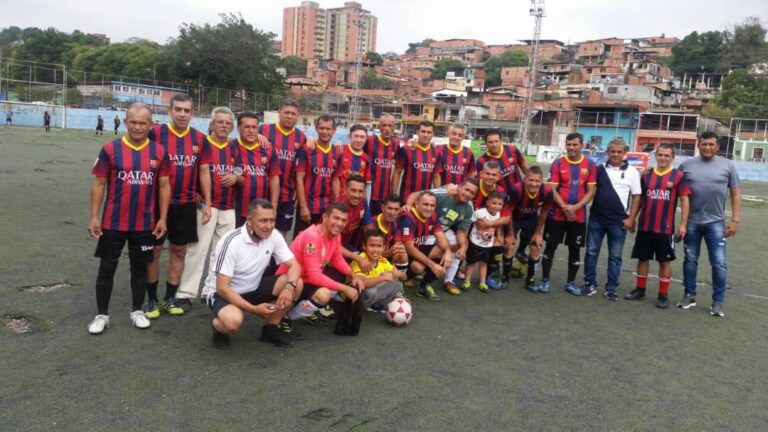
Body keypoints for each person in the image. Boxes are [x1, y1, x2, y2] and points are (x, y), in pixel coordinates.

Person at [86, 104, 170, 334]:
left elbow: (164, 186)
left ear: (150, 125)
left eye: (143, 123)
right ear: (125, 123)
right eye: (133, 122)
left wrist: (162, 218)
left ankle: (137, 311)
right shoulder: (110, 149)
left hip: (144, 223)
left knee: (140, 268)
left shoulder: (159, 152)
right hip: (113, 223)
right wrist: (94, 216)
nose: (137, 126)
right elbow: (99, 184)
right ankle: (102, 315)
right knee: (106, 268)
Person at [200, 199, 301, 348]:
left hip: (253, 288)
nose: (268, 226)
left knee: (296, 283)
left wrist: (289, 288)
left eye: (272, 220)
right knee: (231, 322)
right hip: (223, 293)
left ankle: (271, 329)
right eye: (263, 221)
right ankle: (218, 328)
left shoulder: (274, 235)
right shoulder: (231, 241)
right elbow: (222, 287)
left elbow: (294, 266)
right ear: (249, 220)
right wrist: (253, 309)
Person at [169, 107, 241, 316]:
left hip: (229, 207)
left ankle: (211, 290)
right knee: (197, 251)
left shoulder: (234, 148)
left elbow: (242, 176)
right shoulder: (201, 144)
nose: (224, 126)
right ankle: (185, 293)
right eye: (220, 122)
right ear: (211, 124)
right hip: (205, 207)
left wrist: (237, 179)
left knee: (221, 253)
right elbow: (191, 175)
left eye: (228, 123)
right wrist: (199, 199)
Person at [146, 94, 211, 315]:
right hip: (157, 204)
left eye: (187, 110)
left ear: (192, 113)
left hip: (185, 205)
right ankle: (152, 299)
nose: (182, 114)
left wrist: (208, 202)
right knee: (154, 251)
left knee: (179, 251)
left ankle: (169, 298)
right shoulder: (155, 133)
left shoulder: (199, 139)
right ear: (170, 111)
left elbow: (203, 171)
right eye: (178, 109)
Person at [276, 203, 366, 338]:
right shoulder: (313, 236)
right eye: (336, 218)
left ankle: (305, 308)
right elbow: (314, 276)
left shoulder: (335, 235)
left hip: (306, 279)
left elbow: (337, 260)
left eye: (343, 220)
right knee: (324, 294)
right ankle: (286, 318)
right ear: (325, 217)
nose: (339, 223)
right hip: (289, 281)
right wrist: (345, 289)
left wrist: (353, 275)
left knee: (341, 277)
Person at [678, 132, 741, 317]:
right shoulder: (687, 165)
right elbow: (673, 186)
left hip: (716, 223)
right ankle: (689, 295)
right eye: (704, 144)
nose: (707, 147)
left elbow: (736, 194)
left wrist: (735, 220)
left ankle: (718, 302)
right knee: (690, 260)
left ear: (718, 147)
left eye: (711, 144)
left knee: (719, 263)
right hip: (692, 222)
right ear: (698, 145)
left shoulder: (728, 166)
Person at [625, 143, 690, 308]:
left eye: (667, 155)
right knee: (642, 258)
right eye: (660, 154)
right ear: (656, 156)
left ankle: (663, 294)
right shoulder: (646, 174)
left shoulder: (678, 176)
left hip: (665, 228)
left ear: (672, 157)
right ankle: (640, 290)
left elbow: (684, 199)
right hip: (645, 226)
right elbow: (638, 198)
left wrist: (683, 225)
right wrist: (632, 219)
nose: (663, 158)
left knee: (664, 261)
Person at [582, 138, 642, 300]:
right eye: (612, 151)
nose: (615, 154)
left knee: (615, 256)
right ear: (607, 152)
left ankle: (611, 288)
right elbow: (590, 191)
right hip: (597, 219)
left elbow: (637, 197)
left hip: (619, 222)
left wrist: (631, 219)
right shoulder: (598, 169)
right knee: (591, 252)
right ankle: (589, 284)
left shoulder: (632, 172)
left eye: (619, 152)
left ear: (624, 154)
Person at [541, 132, 597, 295]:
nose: (571, 148)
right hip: (556, 214)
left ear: (582, 145)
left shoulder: (590, 165)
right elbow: (552, 188)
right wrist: (566, 208)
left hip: (578, 216)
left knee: (575, 249)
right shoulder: (558, 163)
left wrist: (575, 208)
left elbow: (591, 191)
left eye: (575, 145)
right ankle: (545, 280)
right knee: (550, 246)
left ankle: (570, 283)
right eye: (569, 144)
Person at [405, 179, 478, 295]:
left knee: (457, 246)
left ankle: (439, 281)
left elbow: (462, 232)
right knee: (421, 262)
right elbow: (416, 195)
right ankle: (407, 275)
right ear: (459, 187)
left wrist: (463, 248)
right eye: (466, 189)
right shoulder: (444, 194)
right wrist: (408, 205)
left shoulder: (469, 208)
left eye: (472, 193)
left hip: (439, 230)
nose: (468, 194)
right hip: (424, 228)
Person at [260, 99, 307, 236]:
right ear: (279, 113)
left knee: (281, 234)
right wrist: (257, 135)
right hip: (265, 192)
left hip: (288, 194)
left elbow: (303, 166)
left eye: (293, 113)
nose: (290, 116)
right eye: (286, 112)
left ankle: (275, 258)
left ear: (298, 116)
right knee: (261, 231)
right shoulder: (264, 130)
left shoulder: (301, 137)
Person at [394, 191, 453, 301]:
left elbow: (441, 236)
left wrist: (448, 252)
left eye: (432, 205)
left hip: (416, 249)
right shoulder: (408, 217)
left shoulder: (433, 215)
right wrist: (432, 265)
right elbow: (409, 248)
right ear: (416, 204)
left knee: (443, 251)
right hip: (401, 253)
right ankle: (397, 286)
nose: (429, 208)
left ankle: (424, 285)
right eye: (425, 204)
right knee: (417, 267)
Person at [506, 166, 557, 292]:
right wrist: (510, 234)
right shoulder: (515, 189)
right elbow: (509, 211)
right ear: (525, 179)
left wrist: (537, 233)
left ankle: (530, 280)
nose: (534, 184)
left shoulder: (547, 192)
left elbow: (544, 212)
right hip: (514, 218)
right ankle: (504, 278)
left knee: (536, 246)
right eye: (530, 180)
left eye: (537, 181)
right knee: (509, 245)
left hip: (531, 219)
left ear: (542, 181)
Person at [295, 115, 343, 235]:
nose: (325, 132)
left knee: (323, 241)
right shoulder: (306, 149)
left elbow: (335, 180)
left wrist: (336, 205)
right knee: (302, 241)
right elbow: (299, 179)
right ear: (316, 129)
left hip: (326, 208)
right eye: (322, 128)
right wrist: (303, 206)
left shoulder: (336, 152)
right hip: (308, 206)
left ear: (334, 130)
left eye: (328, 129)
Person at [234, 112, 280, 228]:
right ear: (238, 128)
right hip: (235, 209)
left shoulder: (268, 149)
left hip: (260, 210)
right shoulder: (230, 147)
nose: (251, 131)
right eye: (247, 127)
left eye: (254, 127)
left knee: (258, 243)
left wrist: (273, 206)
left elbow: (274, 178)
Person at [351, 230, 407, 315]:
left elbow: (404, 277)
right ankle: (360, 308)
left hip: (373, 291)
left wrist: (399, 273)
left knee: (398, 283)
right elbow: (361, 283)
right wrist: (383, 278)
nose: (375, 249)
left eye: (379, 246)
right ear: (364, 246)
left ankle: (378, 306)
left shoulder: (382, 260)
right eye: (372, 245)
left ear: (384, 247)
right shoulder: (360, 260)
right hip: (356, 296)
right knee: (371, 291)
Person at [464, 191, 505, 293]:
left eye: (500, 204)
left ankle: (482, 282)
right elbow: (470, 223)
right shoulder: (479, 212)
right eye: (494, 203)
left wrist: (499, 236)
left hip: (488, 245)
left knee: (484, 263)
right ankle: (466, 281)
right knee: (471, 263)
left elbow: (498, 225)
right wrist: (465, 237)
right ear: (488, 203)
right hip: (475, 243)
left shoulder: (499, 214)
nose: (497, 206)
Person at [392, 120, 442, 201]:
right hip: (406, 199)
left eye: (429, 132)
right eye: (423, 131)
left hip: (425, 201)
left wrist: (438, 197)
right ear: (417, 132)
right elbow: (397, 172)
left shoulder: (436, 152)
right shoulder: (407, 149)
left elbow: (436, 176)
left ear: (433, 134)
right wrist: (393, 194)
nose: (425, 135)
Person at [366, 194, 409, 275]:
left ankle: (399, 282)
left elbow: (398, 242)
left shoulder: (395, 223)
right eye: (389, 208)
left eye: (396, 209)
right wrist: (388, 253)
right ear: (382, 207)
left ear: (400, 210)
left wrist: (398, 248)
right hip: (369, 257)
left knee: (402, 254)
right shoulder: (371, 224)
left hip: (384, 256)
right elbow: (368, 252)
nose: (392, 212)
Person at [475, 128, 528, 193]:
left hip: (518, 193)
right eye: (490, 142)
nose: (494, 145)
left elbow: (524, 167)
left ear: (501, 141)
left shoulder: (512, 149)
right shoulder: (481, 161)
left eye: (496, 141)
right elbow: (481, 182)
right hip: (498, 198)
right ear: (485, 143)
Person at [366, 114, 400, 215]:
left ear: (394, 128)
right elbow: (354, 145)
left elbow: (399, 167)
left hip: (385, 195)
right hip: (368, 193)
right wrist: (339, 143)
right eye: (384, 125)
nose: (387, 128)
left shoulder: (396, 144)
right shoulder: (369, 140)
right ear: (379, 127)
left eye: (390, 126)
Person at [338, 175, 374, 262]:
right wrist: (358, 258)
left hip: (347, 247)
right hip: (330, 251)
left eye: (360, 191)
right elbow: (333, 245)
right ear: (345, 191)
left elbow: (368, 229)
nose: (357, 195)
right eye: (353, 191)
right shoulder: (338, 209)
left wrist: (373, 249)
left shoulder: (363, 202)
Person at [332, 124, 371, 199]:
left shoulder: (366, 158)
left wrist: (366, 203)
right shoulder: (339, 150)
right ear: (349, 136)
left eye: (362, 137)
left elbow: (367, 184)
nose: (359, 140)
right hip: (339, 200)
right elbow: (334, 178)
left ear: (366, 139)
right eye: (356, 136)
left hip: (356, 201)